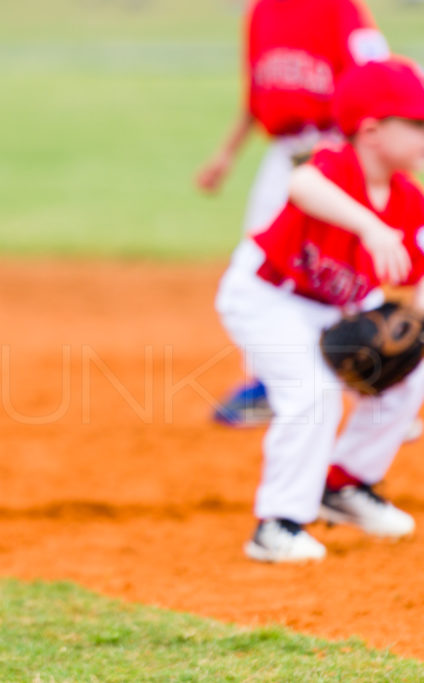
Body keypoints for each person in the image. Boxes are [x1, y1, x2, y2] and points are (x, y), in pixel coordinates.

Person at [215, 57, 424, 563]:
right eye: (417, 124)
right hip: (265, 295)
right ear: (372, 131)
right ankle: (277, 525)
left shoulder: (408, 200)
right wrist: (369, 227)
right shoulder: (335, 164)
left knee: (411, 374)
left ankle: (343, 484)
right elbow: (301, 187)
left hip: (333, 306)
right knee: (312, 392)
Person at [195, 0, 390, 426]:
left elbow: (378, 77)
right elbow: (256, 95)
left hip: (336, 147)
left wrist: (371, 157)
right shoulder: (262, 13)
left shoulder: (340, 9)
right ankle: (267, 380)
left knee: (343, 258)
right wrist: (225, 155)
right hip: (283, 152)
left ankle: (374, 383)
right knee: (259, 257)